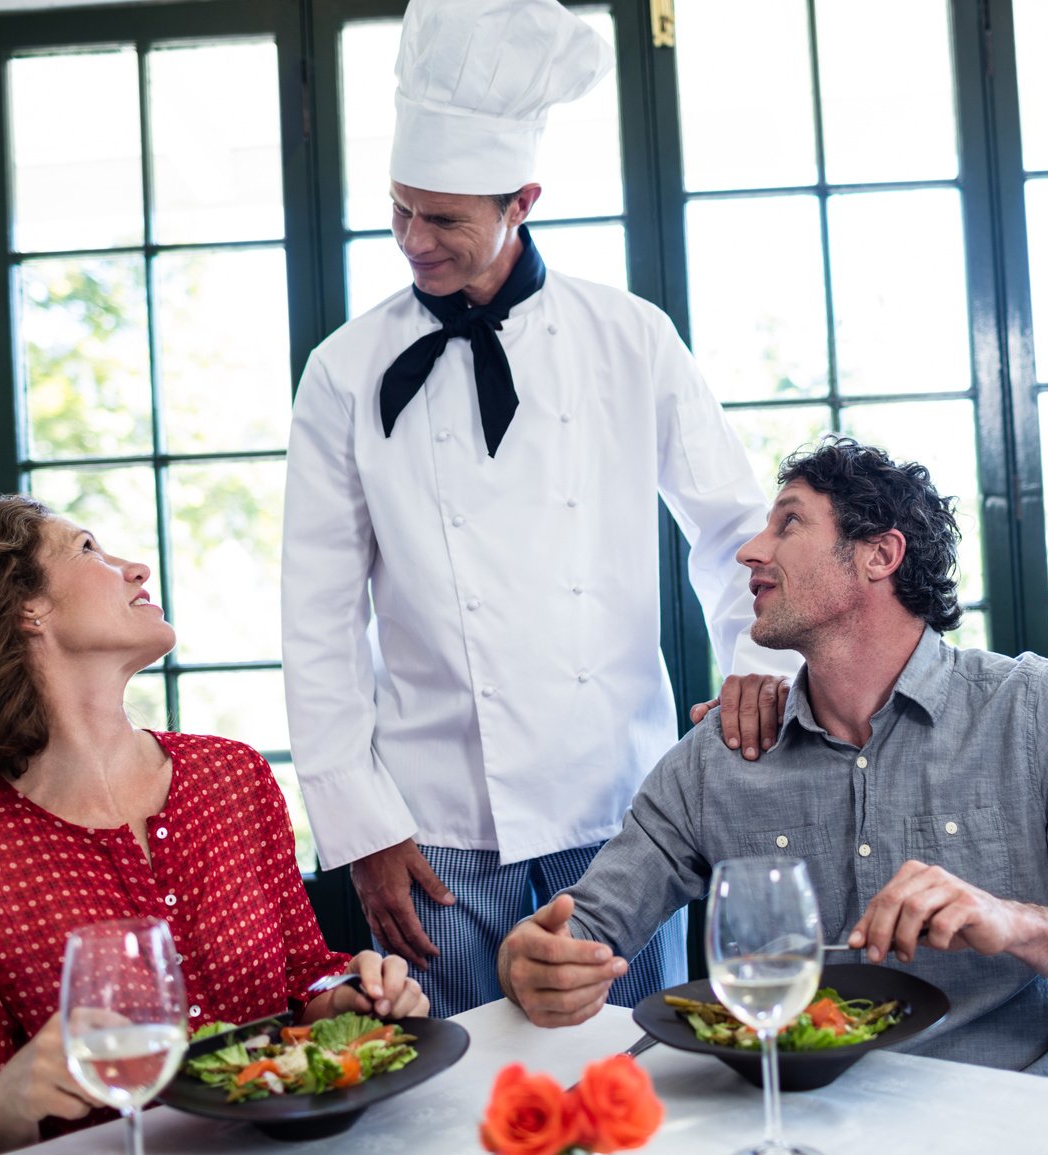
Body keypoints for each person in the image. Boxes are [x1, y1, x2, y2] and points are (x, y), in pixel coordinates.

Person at [281, 0, 793, 1018]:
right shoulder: (344, 371)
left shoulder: (628, 337)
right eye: (400, 210)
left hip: (620, 810)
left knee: (631, 1092)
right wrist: (357, 825)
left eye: (444, 220)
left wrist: (760, 667)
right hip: (429, 829)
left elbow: (736, 527)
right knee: (448, 1101)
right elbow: (318, 615)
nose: (413, 242)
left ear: (522, 201)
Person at [497, 439, 1048, 1079]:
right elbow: (577, 934)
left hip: (1009, 1130)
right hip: (792, 1128)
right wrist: (532, 965)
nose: (750, 550)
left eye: (788, 522)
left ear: (879, 554)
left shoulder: (1030, 710)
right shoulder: (719, 755)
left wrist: (1017, 922)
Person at [0, 495, 428, 1155]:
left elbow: (304, 974)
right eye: (88, 549)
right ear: (24, 607)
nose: (136, 567)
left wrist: (351, 1000)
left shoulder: (234, 775)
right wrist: (7, 1104)